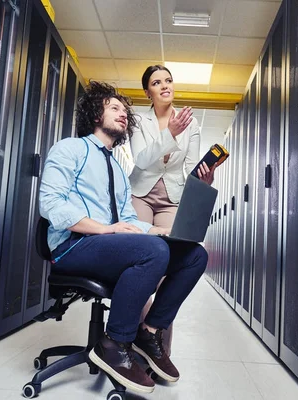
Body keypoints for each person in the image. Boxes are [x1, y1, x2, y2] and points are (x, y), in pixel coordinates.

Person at [39, 81, 208, 394]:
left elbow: (128, 220)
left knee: (194, 255)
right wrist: (104, 229)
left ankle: (149, 331)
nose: (123, 115)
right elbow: (51, 204)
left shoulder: (117, 167)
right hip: (72, 247)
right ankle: (115, 342)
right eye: (114, 108)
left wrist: (159, 230)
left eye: (125, 111)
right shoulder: (69, 149)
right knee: (154, 252)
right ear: (94, 115)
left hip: (106, 246)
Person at [129, 65, 217, 355]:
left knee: (170, 268)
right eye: (157, 82)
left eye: (168, 80)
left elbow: (191, 167)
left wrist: (206, 178)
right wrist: (169, 133)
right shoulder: (138, 122)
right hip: (140, 193)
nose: (165, 85)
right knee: (140, 267)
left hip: (172, 197)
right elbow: (142, 160)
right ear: (148, 92)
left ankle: (158, 351)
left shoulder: (190, 123)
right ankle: (127, 348)